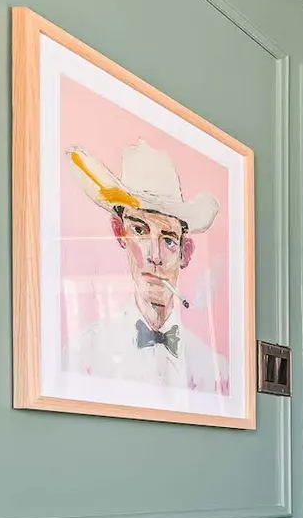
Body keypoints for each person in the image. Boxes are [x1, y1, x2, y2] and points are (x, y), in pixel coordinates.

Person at [64, 140, 228, 393]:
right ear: (120, 233)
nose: (155, 255)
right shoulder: (83, 354)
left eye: (169, 240)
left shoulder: (217, 369)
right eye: (140, 230)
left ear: (186, 253)